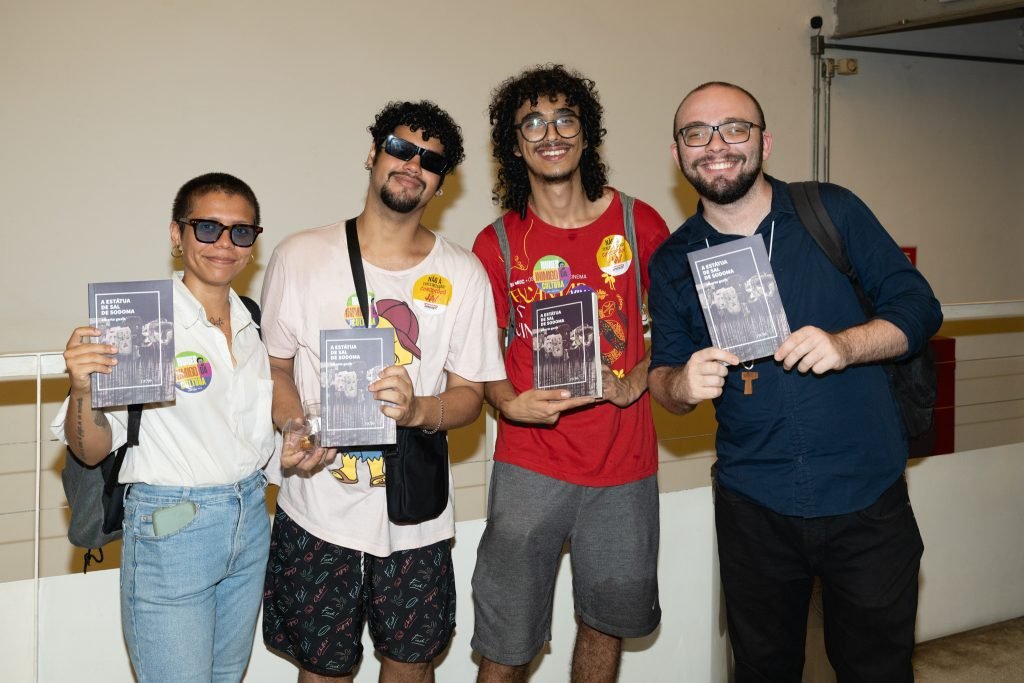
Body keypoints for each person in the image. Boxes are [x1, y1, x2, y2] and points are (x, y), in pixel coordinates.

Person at [647, 82, 943, 682]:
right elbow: (662, 377)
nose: (716, 145)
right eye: (695, 134)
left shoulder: (830, 211)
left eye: (735, 128)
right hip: (754, 505)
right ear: (678, 153)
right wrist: (681, 384)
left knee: (877, 669)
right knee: (762, 669)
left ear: (764, 141)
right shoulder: (673, 260)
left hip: (867, 496)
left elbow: (918, 308)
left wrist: (846, 344)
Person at [260, 100, 506, 682]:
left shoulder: (465, 273)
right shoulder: (300, 256)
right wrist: (293, 426)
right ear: (373, 154)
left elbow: (470, 394)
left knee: (411, 667)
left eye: (430, 160)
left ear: (441, 182)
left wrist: (421, 408)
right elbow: (273, 367)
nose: (412, 164)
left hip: (415, 515)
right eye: (400, 148)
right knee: (322, 671)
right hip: (317, 504)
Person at [470, 64, 669, 682]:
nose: (550, 132)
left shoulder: (641, 225)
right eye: (532, 121)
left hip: (622, 463)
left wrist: (636, 379)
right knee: (506, 641)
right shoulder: (496, 244)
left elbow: (682, 329)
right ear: (514, 142)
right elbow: (475, 358)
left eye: (565, 119)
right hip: (530, 462)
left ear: (586, 135)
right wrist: (507, 401)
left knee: (604, 624)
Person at [53, 172, 275, 681]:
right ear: (176, 235)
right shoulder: (140, 320)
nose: (225, 243)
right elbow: (91, 451)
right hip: (173, 527)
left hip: (250, 519)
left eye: (241, 232)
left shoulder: (254, 321)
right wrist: (84, 390)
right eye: (207, 228)